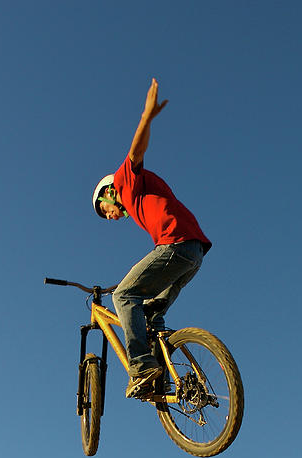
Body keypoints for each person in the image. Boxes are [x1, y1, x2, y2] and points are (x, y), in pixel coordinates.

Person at [92, 78, 212, 398]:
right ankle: (172, 375)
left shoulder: (125, 181)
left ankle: (142, 367)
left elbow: (136, 150)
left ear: (108, 192)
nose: (110, 216)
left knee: (123, 297)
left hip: (176, 243)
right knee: (149, 311)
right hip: (193, 253)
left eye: (105, 210)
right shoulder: (142, 198)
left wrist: (146, 117)